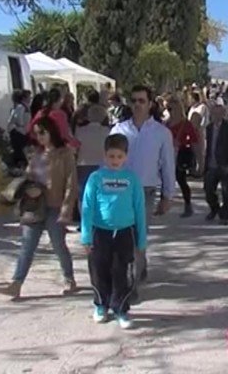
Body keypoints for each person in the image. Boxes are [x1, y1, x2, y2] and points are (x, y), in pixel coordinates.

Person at [0, 117, 79, 299]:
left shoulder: (65, 154)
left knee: (58, 245)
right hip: (35, 206)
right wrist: (28, 189)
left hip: (55, 207)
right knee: (27, 246)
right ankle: (16, 283)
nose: (39, 137)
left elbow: (71, 185)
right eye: (36, 133)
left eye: (42, 132)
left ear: (52, 132)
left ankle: (69, 278)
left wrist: (66, 211)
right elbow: (28, 178)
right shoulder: (35, 155)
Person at [110, 85, 176, 293]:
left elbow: (167, 165)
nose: (137, 105)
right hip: (120, 190)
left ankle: (132, 284)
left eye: (142, 101)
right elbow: (107, 162)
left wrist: (168, 195)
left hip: (145, 191)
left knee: (137, 237)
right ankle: (137, 271)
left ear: (150, 104)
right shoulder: (119, 130)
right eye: (134, 100)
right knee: (124, 238)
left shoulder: (161, 133)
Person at [81, 134, 146, 329]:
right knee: (99, 270)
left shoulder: (132, 179)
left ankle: (121, 309)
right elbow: (87, 207)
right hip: (100, 233)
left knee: (121, 272)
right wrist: (85, 235)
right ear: (104, 156)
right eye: (111, 156)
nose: (115, 161)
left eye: (119, 156)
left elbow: (139, 209)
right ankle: (101, 304)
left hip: (125, 232)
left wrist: (141, 239)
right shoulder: (96, 178)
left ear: (125, 157)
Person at [203, 104, 228, 225]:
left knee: (227, 191)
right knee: (208, 189)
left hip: (225, 164)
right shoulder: (209, 128)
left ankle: (225, 215)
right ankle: (215, 209)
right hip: (211, 164)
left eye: (218, 114)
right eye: (213, 114)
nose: (215, 116)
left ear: (223, 114)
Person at [165, 99, 199, 218]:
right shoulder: (166, 123)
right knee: (164, 179)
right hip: (167, 154)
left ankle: (188, 205)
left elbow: (194, 140)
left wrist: (198, 159)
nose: (169, 111)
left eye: (171, 108)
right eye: (168, 109)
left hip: (180, 154)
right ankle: (163, 203)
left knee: (181, 180)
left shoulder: (185, 124)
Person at [75, 105, 111, 209]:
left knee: (83, 194)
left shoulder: (80, 131)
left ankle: (84, 217)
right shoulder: (107, 131)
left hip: (83, 164)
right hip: (101, 165)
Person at [7, 90, 32, 168]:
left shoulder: (25, 106)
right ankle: (19, 166)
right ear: (24, 98)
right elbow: (18, 118)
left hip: (23, 132)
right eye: (29, 97)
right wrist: (22, 125)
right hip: (19, 132)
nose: (30, 98)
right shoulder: (21, 107)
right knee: (20, 151)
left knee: (22, 151)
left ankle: (20, 166)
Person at [188, 92, 209, 175]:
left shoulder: (202, 107)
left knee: (200, 151)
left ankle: (201, 170)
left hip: (199, 131)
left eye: (190, 98)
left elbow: (198, 118)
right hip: (191, 131)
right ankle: (192, 169)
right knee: (193, 150)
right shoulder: (192, 108)